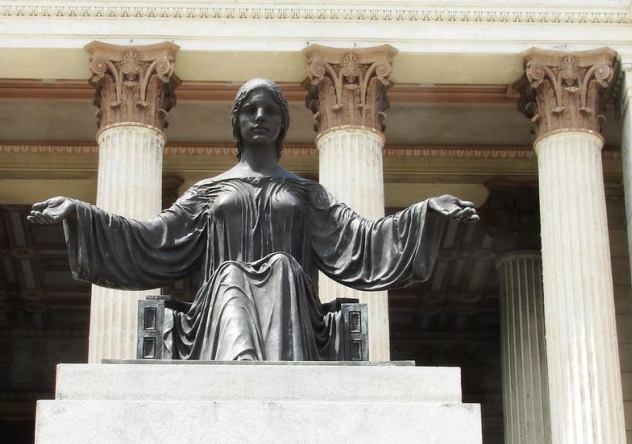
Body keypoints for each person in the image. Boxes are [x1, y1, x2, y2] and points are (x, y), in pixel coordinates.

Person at [28, 78, 478, 361]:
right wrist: (81, 215)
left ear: (283, 125)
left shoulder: (306, 193)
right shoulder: (209, 192)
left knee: (281, 267)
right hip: (215, 315)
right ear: (237, 122)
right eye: (250, 109)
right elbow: (152, 238)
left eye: (270, 111)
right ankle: (241, 367)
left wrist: (423, 214)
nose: (259, 117)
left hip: (295, 315)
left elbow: (360, 240)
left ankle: (264, 373)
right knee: (228, 276)